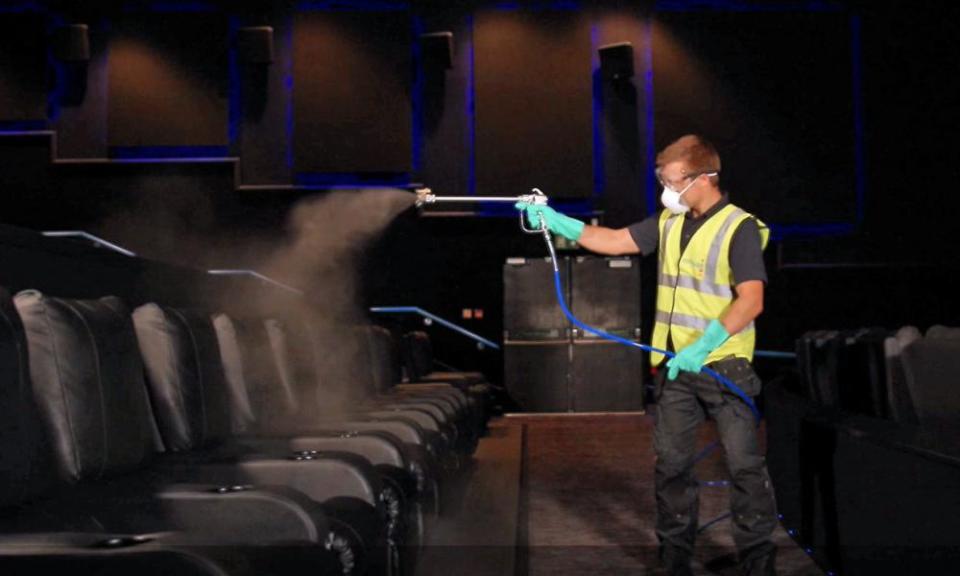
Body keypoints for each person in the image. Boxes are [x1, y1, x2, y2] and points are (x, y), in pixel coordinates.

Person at [516, 134, 778, 576]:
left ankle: (758, 566)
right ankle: (674, 561)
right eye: (662, 180)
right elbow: (617, 240)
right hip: (676, 367)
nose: (666, 189)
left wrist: (704, 345)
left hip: (724, 366)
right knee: (672, 467)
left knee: (744, 470)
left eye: (671, 180)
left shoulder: (739, 227)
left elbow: (751, 300)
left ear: (703, 178)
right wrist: (558, 222)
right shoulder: (669, 223)